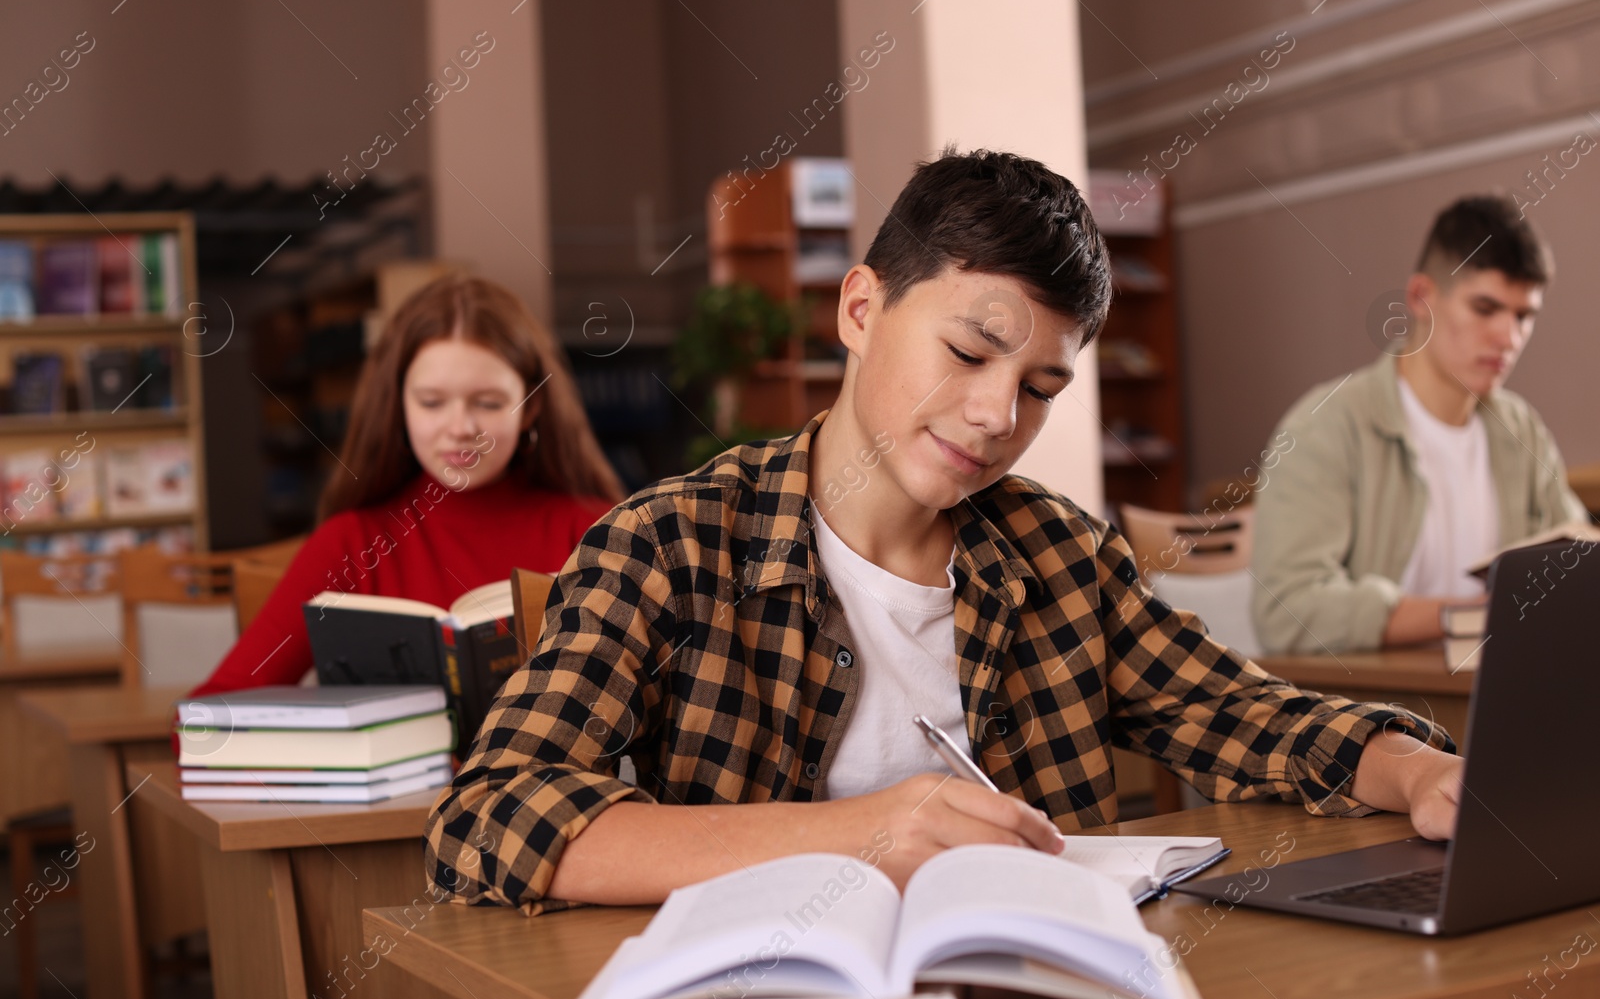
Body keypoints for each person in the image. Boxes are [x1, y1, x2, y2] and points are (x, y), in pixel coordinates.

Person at [425, 149, 1463, 916]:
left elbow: (1243, 716)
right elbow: (486, 821)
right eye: (968, 352)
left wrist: (1416, 770)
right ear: (861, 308)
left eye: (1040, 387)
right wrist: (858, 836)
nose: (995, 414)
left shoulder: (1059, 556)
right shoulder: (666, 546)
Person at [191, 276, 624, 696]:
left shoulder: (600, 533)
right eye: (431, 402)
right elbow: (209, 716)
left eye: (488, 403)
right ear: (398, 405)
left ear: (531, 408)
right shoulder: (349, 545)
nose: (460, 428)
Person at [1251, 195, 1586, 656]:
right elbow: (1286, 613)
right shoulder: (1326, 425)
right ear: (1421, 298)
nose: (1508, 338)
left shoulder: (1520, 428)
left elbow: (1579, 559)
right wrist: (1476, 615)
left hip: (1500, 697)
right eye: (1485, 309)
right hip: (1373, 712)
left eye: (1524, 316)